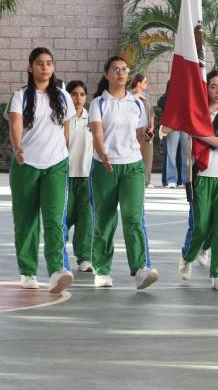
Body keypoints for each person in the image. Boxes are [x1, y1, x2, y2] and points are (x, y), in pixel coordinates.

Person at [8, 47, 75, 294]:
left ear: (53, 67)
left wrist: (62, 152)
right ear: (30, 67)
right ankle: (27, 271)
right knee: (26, 221)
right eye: (39, 63)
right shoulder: (21, 96)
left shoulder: (64, 97)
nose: (44, 67)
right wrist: (17, 148)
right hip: (26, 165)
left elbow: (66, 130)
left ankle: (57, 270)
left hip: (56, 165)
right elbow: (15, 124)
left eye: (48, 63)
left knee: (55, 220)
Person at [89, 55, 159, 289]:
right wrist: (103, 154)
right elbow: (97, 132)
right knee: (105, 218)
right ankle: (101, 270)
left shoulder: (136, 103)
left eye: (124, 69)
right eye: (115, 69)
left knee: (133, 218)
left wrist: (148, 135)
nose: (120, 73)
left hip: (132, 166)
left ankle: (140, 269)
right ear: (107, 74)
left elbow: (140, 135)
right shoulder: (99, 103)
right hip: (105, 166)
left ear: (128, 74)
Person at [174, 70, 218, 291]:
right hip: (202, 176)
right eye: (213, 86)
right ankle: (188, 255)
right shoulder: (197, 115)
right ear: (206, 88)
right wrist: (193, 129)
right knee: (200, 227)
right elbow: (188, 144)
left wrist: (199, 134)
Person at [66, 80, 94, 272]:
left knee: (86, 220)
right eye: (74, 94)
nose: (78, 98)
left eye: (82, 94)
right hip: (64, 176)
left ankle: (84, 258)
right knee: (62, 219)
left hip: (86, 176)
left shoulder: (92, 120)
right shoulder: (61, 118)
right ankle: (59, 257)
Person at [130, 73, 155, 189]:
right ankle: (134, 179)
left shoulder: (146, 96)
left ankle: (147, 180)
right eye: (145, 82)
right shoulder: (129, 95)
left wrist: (152, 127)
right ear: (138, 83)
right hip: (134, 130)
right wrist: (137, 95)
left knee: (148, 155)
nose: (147, 84)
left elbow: (151, 113)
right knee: (134, 155)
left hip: (146, 130)